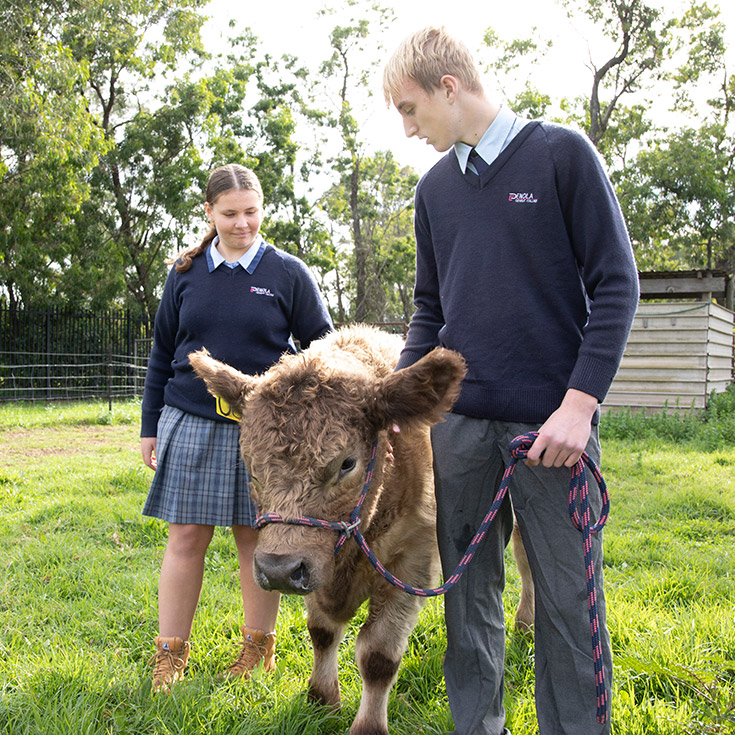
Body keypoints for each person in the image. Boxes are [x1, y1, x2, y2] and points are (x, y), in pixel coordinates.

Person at [382, 27, 639, 735]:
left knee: (564, 603)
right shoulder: (433, 189)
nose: (407, 129)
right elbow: (431, 308)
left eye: (409, 109)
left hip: (551, 430)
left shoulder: (561, 155)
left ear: (448, 87)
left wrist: (578, 407)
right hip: (460, 428)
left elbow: (616, 284)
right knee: (468, 603)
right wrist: (402, 393)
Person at [140, 163, 333, 692]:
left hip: (264, 433)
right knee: (185, 539)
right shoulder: (184, 274)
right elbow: (161, 353)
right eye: (230, 213)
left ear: (261, 209)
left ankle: (257, 650)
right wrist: (149, 426)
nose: (242, 223)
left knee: (256, 540)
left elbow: (324, 348)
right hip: (190, 420)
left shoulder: (288, 275)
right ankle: (170, 655)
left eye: (251, 212)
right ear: (209, 212)